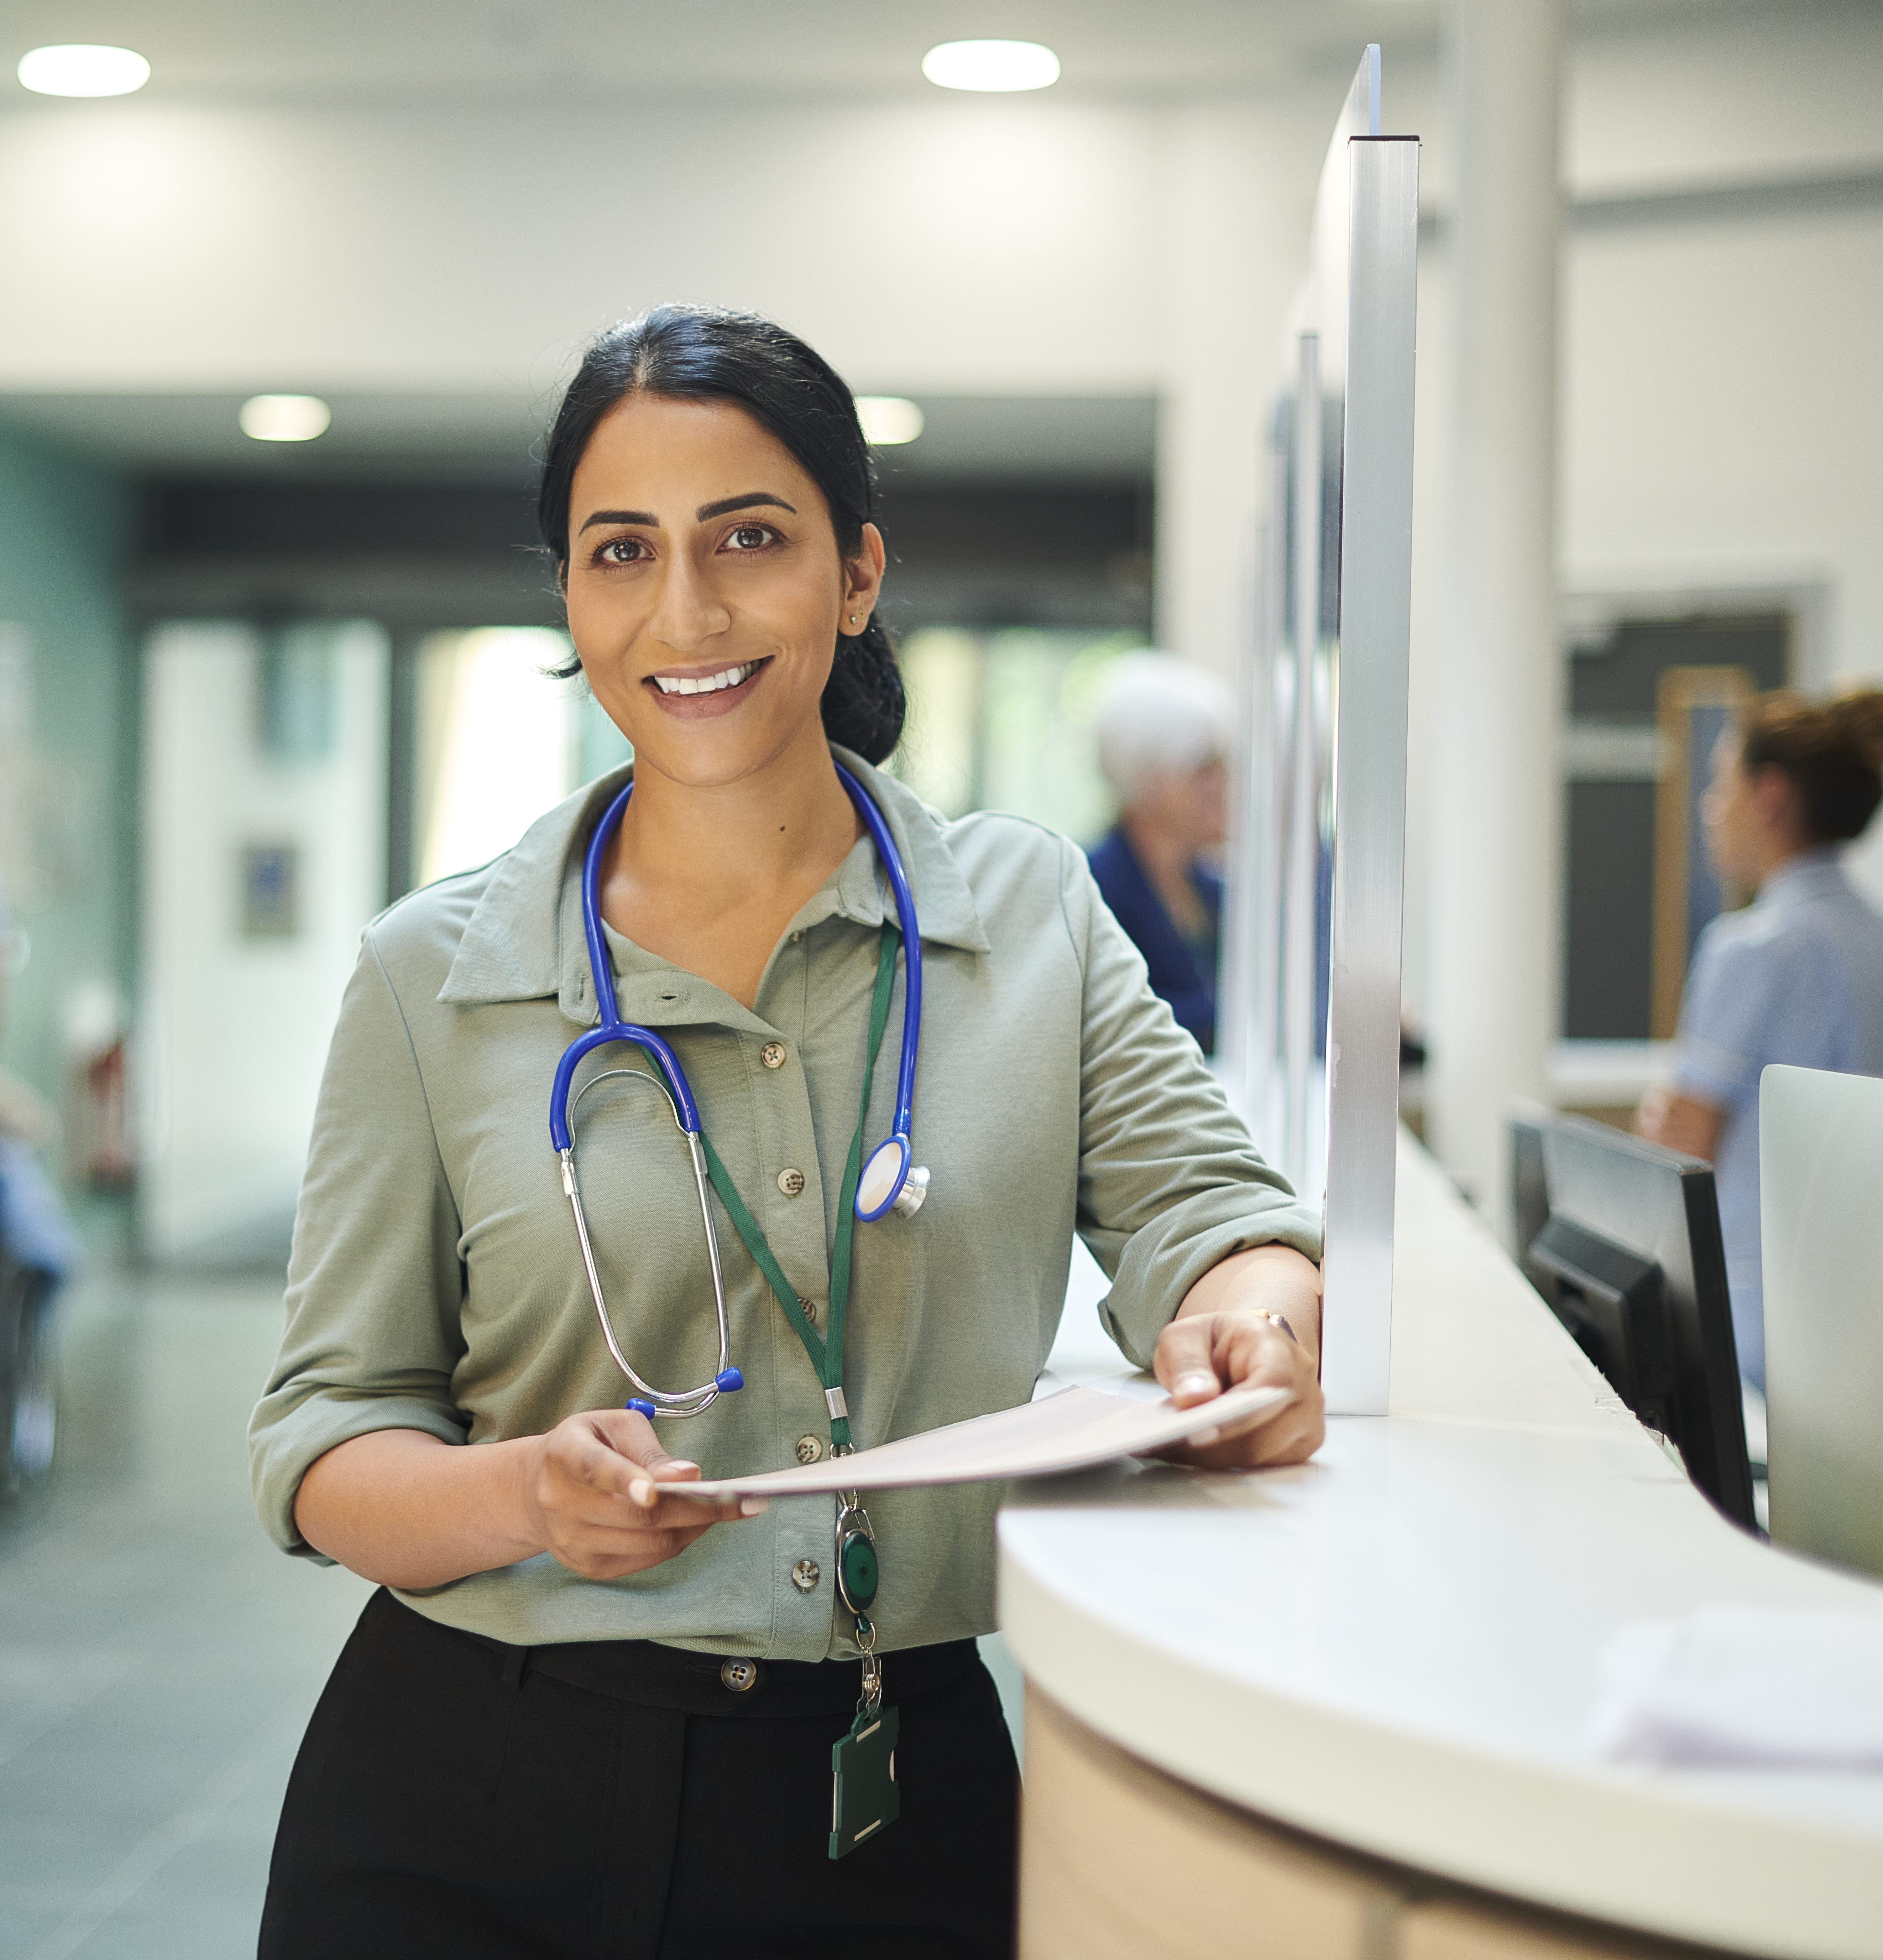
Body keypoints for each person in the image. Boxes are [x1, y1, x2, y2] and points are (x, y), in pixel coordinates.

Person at [248, 305, 1326, 1959]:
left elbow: (1211, 1212)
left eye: (747, 539)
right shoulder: (432, 974)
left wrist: (1247, 1325)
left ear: (855, 572)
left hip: (886, 1796)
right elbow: (326, 1445)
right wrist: (529, 1493)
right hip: (469, 1792)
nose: (683, 611)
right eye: (621, 551)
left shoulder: (1022, 916)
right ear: (572, 596)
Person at [1638, 682, 1883, 1388]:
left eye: (1720, 786)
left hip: (1763, 1335)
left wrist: (1659, 1120)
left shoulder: (1754, 948)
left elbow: (1680, 1146)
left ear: (1768, 797)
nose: (1711, 809)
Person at [1085, 653, 1235, 1052]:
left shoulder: (1214, 890)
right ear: (1148, 775)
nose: (1223, 785)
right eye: (1204, 768)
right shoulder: (1094, 886)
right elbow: (1117, 1022)